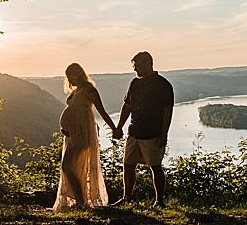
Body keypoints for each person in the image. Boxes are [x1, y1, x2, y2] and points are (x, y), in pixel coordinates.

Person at [52, 62, 117, 211]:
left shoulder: (89, 90)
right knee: (72, 166)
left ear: (79, 74)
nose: (70, 80)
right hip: (73, 133)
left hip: (82, 133)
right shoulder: (76, 91)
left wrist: (115, 129)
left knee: (67, 165)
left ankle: (81, 202)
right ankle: (80, 201)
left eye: (72, 76)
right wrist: (66, 128)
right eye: (68, 77)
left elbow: (102, 111)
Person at [113, 51, 174, 207]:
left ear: (149, 63)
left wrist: (163, 134)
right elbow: (127, 106)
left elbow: (167, 111)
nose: (135, 69)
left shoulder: (162, 84)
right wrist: (119, 127)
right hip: (134, 132)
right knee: (128, 165)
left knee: (155, 166)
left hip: (152, 133)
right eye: (134, 66)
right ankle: (127, 198)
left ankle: (159, 200)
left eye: (137, 66)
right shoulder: (135, 83)